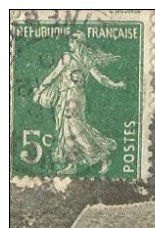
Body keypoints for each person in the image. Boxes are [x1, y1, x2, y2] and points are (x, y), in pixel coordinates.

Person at [33, 31, 125, 176]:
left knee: (73, 127)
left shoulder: (67, 58)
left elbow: (53, 75)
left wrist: (39, 91)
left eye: (72, 40)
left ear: (79, 42)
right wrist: (116, 85)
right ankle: (72, 163)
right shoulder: (87, 60)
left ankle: (102, 154)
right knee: (69, 129)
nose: (70, 42)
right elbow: (101, 78)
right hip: (78, 97)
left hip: (70, 97)